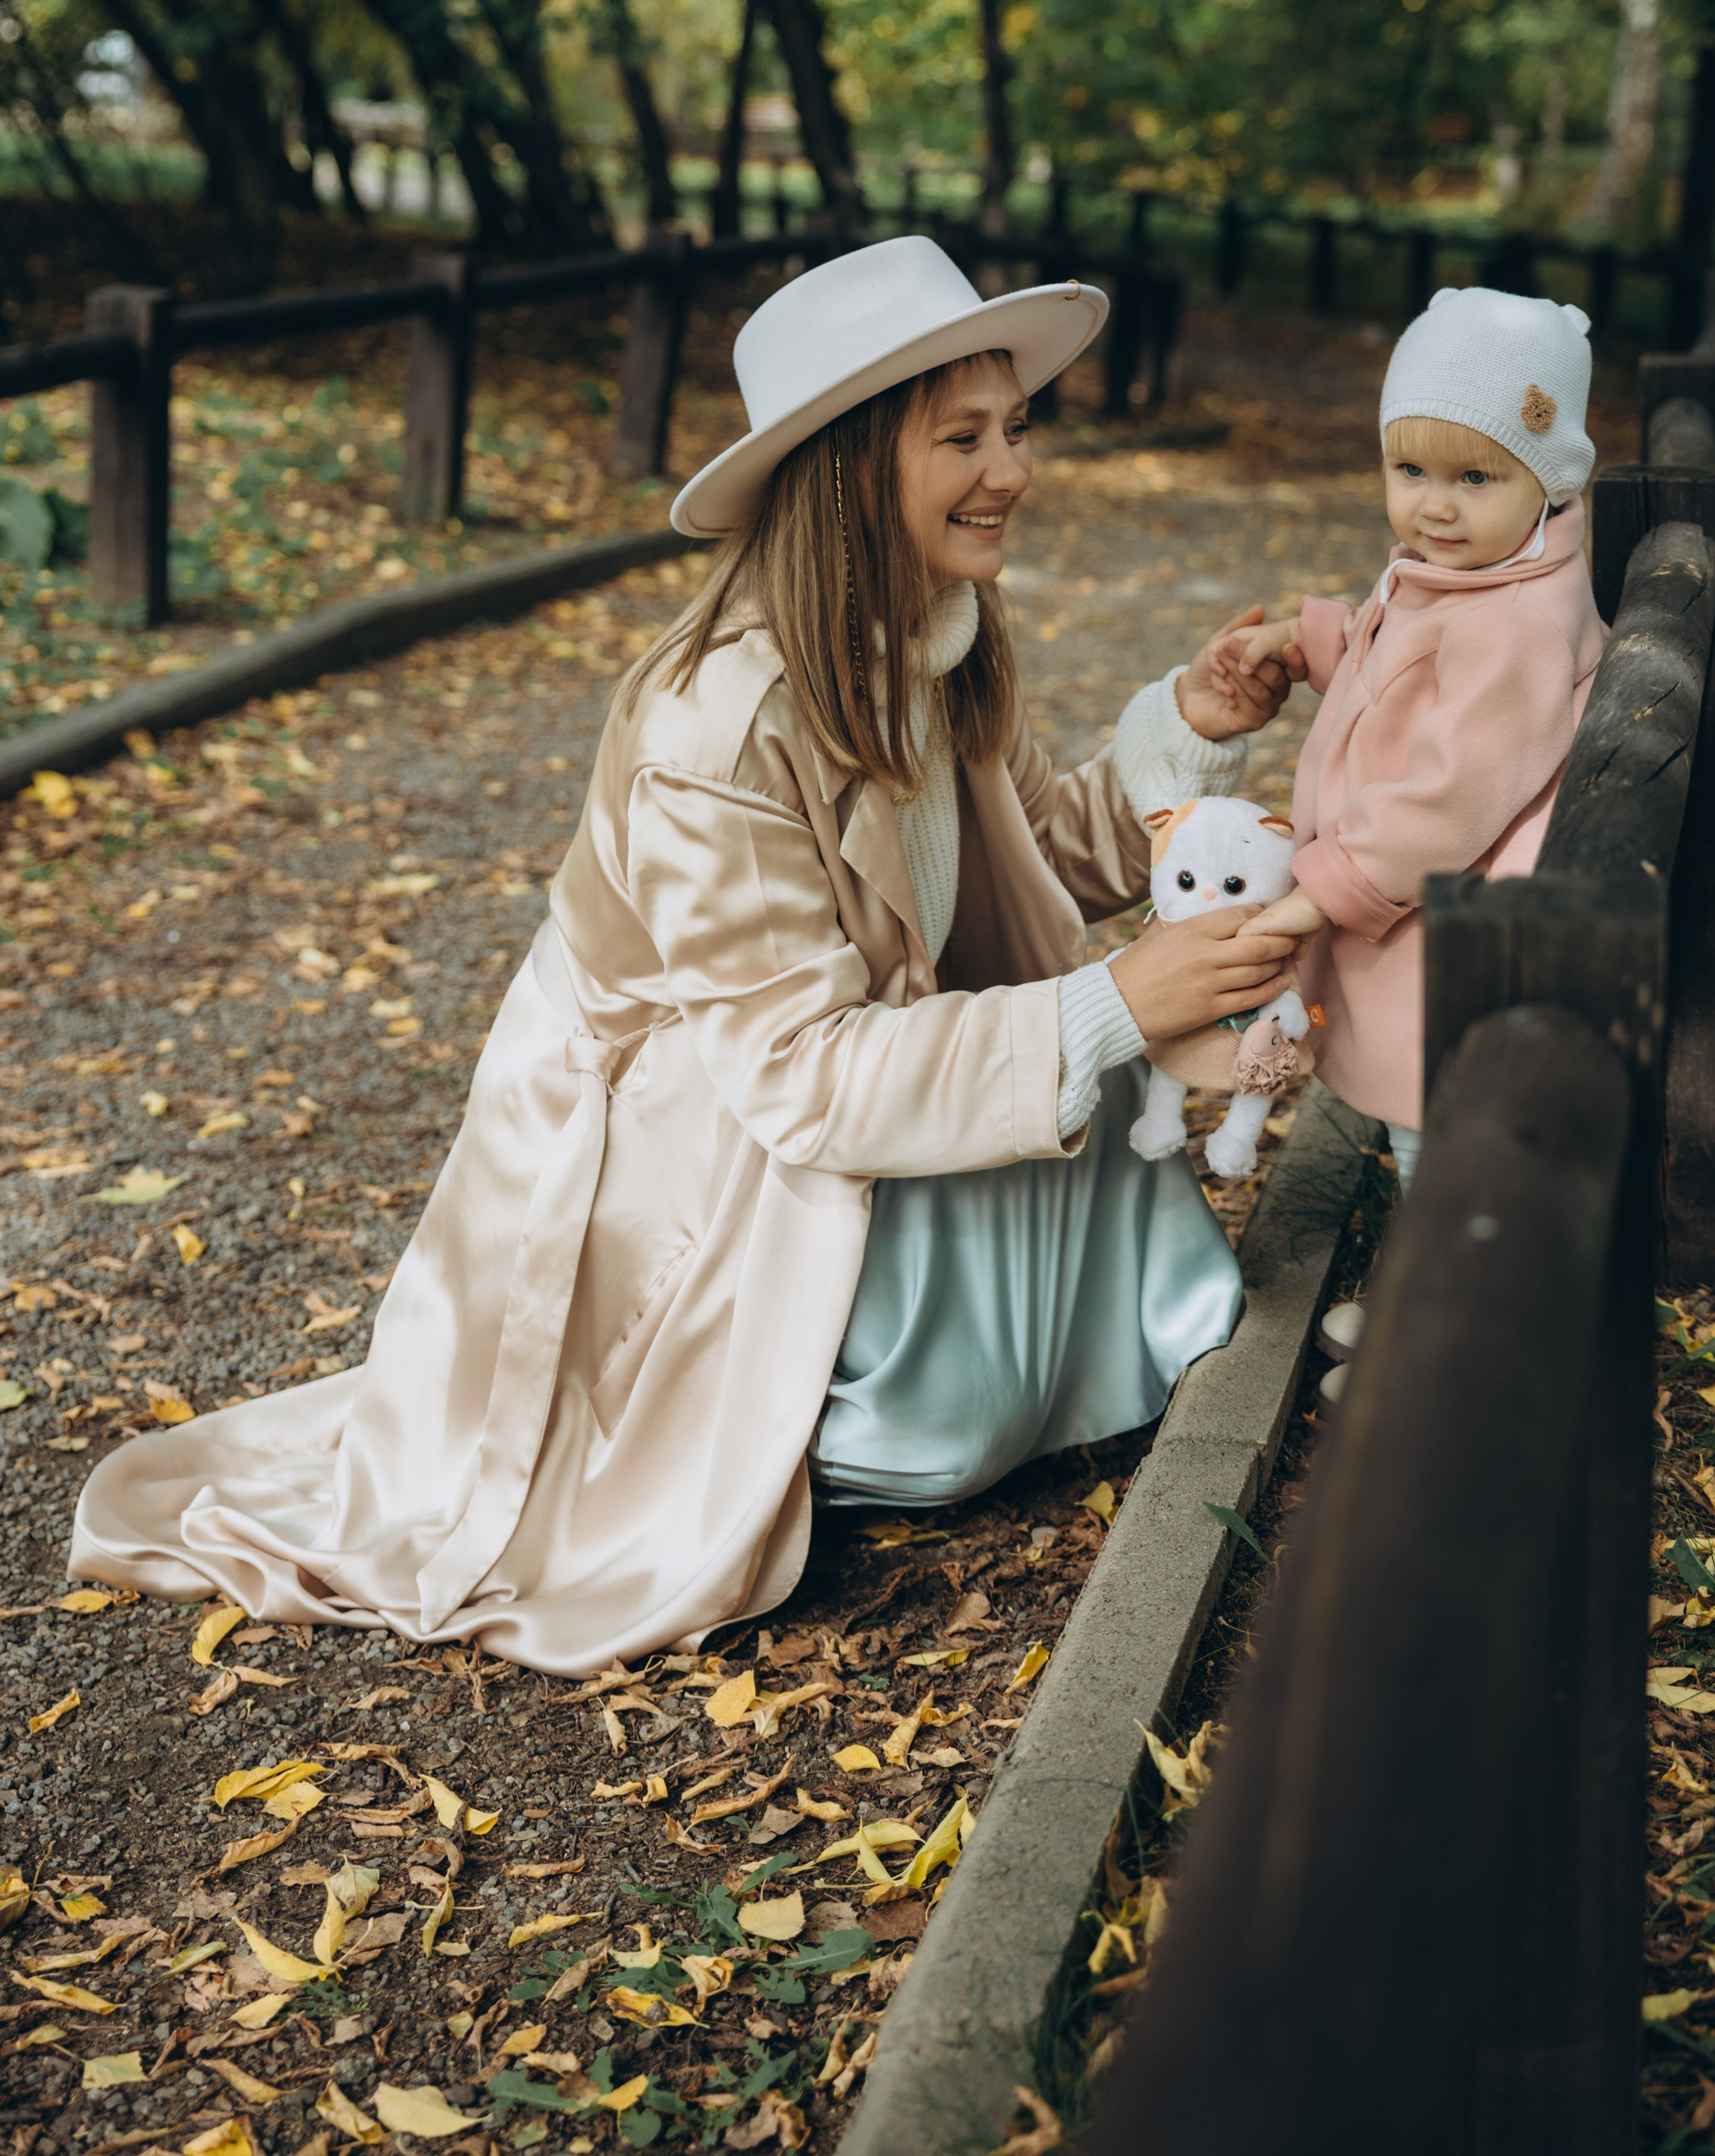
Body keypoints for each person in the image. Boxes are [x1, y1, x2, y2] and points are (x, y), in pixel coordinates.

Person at [70, 239, 1296, 1674]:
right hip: (680, 1126)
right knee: (962, 1361)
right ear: (845, 468)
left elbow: (1030, 861)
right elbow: (790, 1069)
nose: (1011, 469)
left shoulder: (934, 637)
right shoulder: (719, 721)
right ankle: (810, 1412)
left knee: (1062, 1132)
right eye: (961, 438)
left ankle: (967, 1358)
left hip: (823, 1065)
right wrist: (1113, 1006)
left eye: (1014, 428)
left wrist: (1195, 731)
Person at [1214, 285, 1608, 1385]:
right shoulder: (1483, 570)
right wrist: (1319, 637)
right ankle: (1427, 1303)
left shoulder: (1519, 624)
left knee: (1444, 1139)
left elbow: (1448, 795)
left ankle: (1444, 1348)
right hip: (1437, 918)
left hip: (1450, 919)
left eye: (1475, 476)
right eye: (1411, 472)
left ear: (1550, 477)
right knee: (1419, 1139)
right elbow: (1404, 650)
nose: (1435, 507)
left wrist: (1319, 886)